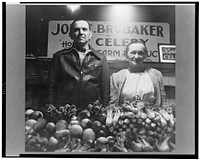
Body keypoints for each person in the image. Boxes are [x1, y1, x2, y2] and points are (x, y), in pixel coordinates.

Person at [48, 19, 110, 111]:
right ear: (70, 35)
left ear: (90, 34)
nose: (81, 33)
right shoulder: (60, 57)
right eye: (76, 30)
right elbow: (51, 86)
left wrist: (104, 110)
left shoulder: (100, 58)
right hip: (64, 111)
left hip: (91, 112)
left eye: (84, 29)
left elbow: (105, 90)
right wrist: (51, 108)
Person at [110, 40, 167, 107]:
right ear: (126, 55)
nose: (136, 56)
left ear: (146, 55)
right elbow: (113, 104)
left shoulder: (156, 75)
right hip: (126, 116)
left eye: (140, 53)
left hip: (152, 116)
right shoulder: (116, 77)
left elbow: (163, 102)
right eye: (133, 53)